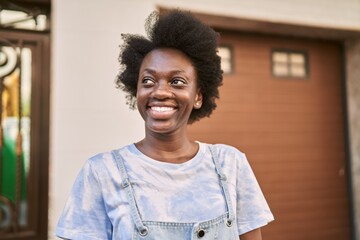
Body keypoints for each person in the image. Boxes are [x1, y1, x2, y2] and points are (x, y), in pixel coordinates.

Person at [56, 10, 274, 240]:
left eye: (177, 81)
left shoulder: (231, 165)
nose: (159, 91)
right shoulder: (101, 173)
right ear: (136, 89)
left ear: (198, 96)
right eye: (148, 80)